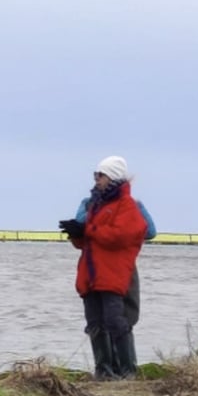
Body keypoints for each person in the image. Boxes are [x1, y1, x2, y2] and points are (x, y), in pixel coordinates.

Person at [59, 156, 148, 379]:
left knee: (116, 322)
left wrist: (88, 230)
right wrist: (77, 233)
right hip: (91, 274)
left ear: (113, 177)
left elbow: (121, 236)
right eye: (96, 175)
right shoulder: (95, 204)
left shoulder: (127, 205)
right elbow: (88, 242)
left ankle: (128, 371)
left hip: (112, 275)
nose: (97, 180)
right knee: (95, 323)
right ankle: (104, 371)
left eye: (101, 175)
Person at [73, 188, 157, 370]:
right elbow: (78, 230)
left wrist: (113, 230)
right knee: (102, 318)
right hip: (98, 268)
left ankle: (120, 369)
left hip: (118, 267)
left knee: (120, 318)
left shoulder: (130, 205)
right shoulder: (89, 204)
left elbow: (149, 231)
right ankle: (111, 369)